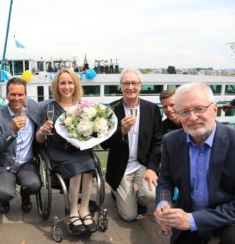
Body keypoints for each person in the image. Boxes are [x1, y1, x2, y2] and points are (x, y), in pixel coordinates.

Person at [154, 82, 235, 244]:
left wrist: (192, 220)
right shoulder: (171, 141)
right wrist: (163, 203)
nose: (192, 117)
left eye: (199, 109)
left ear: (214, 109)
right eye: (184, 112)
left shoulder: (233, 141)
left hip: (226, 215)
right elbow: (165, 180)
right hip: (186, 210)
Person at [36, 68, 97, 235]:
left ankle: (84, 210)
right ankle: (73, 212)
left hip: (79, 149)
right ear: (57, 86)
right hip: (57, 150)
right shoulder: (49, 108)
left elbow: (91, 131)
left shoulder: (83, 106)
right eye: (63, 83)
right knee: (77, 170)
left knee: (90, 166)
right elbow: (40, 140)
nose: (67, 86)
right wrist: (42, 130)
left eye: (70, 82)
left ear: (75, 85)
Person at [101, 68, 162, 221]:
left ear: (140, 86)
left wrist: (152, 168)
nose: (130, 87)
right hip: (121, 166)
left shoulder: (152, 109)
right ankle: (118, 193)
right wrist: (121, 131)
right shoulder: (111, 109)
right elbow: (104, 144)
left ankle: (137, 197)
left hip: (143, 164)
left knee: (152, 195)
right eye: (126, 83)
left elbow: (158, 142)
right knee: (129, 216)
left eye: (134, 83)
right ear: (121, 86)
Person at [0, 77, 41, 214]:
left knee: (34, 185)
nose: (17, 98)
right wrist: (12, 131)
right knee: (4, 193)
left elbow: (51, 104)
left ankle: (25, 196)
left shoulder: (33, 107)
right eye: (12, 94)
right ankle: (4, 201)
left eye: (20, 94)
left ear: (25, 96)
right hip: (4, 165)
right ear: (6, 95)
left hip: (26, 163)